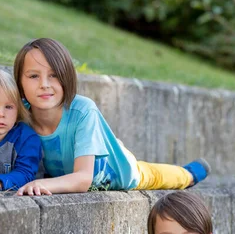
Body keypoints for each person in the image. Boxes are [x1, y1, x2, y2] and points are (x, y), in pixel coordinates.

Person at [12, 38, 210, 195]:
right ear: (20, 83)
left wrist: (40, 183)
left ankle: (189, 174)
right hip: (68, 174)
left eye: (54, 75)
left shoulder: (82, 110)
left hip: (119, 170)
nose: (44, 84)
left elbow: (82, 179)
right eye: (33, 76)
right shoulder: (20, 116)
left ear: (67, 77)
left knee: (154, 175)